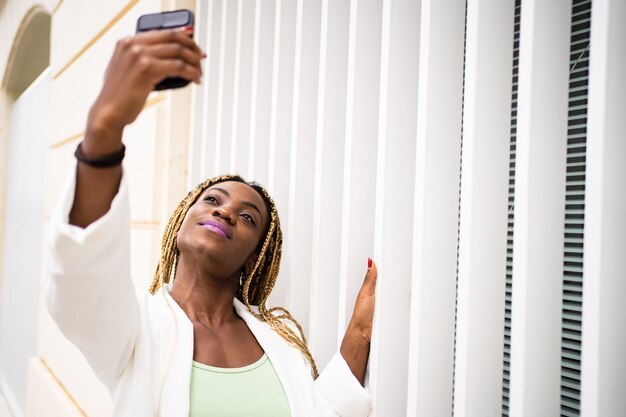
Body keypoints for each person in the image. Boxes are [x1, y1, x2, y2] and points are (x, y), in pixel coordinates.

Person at [45, 26, 377, 417]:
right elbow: (82, 277)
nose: (225, 212)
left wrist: (360, 332)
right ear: (181, 222)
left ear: (254, 257)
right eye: (212, 200)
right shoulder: (136, 328)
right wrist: (104, 128)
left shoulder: (279, 344)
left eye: (247, 217)